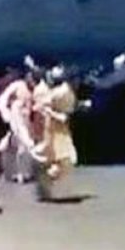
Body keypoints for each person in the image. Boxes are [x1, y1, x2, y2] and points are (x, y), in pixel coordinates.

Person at [35, 67, 79, 201]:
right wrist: (54, 114)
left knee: (64, 160)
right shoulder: (62, 93)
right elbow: (41, 105)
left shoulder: (68, 92)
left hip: (60, 129)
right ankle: (44, 180)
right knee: (68, 159)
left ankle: (44, 184)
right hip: (55, 130)